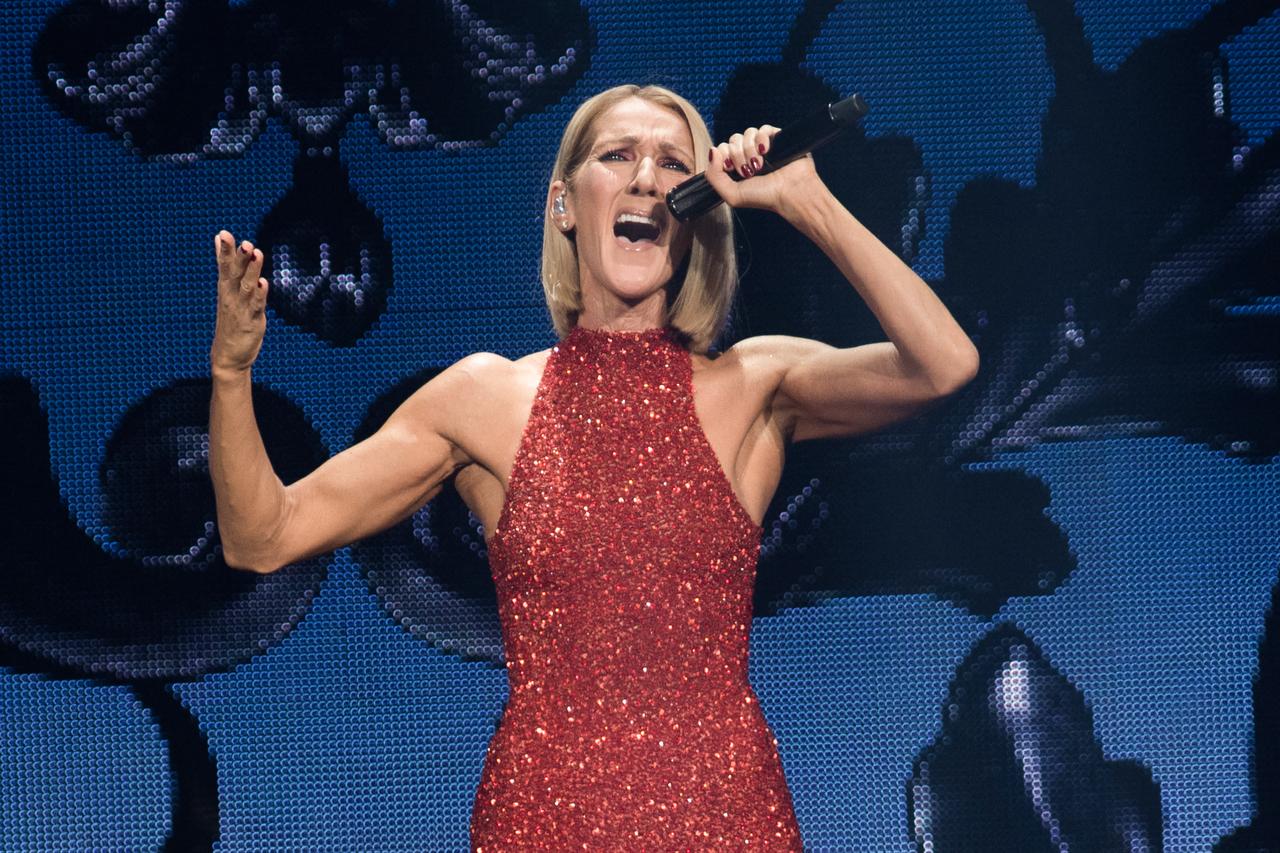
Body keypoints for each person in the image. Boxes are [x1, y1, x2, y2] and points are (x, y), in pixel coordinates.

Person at [208, 83, 978, 850]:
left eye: (674, 162)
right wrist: (231, 374)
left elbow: (942, 365)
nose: (647, 177)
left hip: (727, 819)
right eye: (617, 155)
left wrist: (804, 200)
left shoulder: (754, 387)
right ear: (564, 204)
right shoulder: (484, 399)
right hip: (545, 821)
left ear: (699, 206)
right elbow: (262, 535)